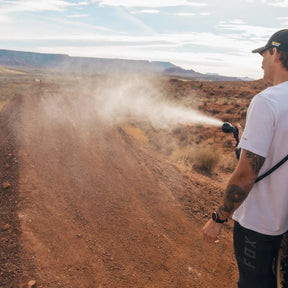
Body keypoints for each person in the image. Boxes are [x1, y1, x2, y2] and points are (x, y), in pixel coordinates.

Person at [202, 29, 288, 288]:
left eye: (263, 54)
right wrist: (244, 147)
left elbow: (246, 175)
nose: (261, 61)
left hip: (259, 226)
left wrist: (219, 217)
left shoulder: (267, 101)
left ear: (275, 53)